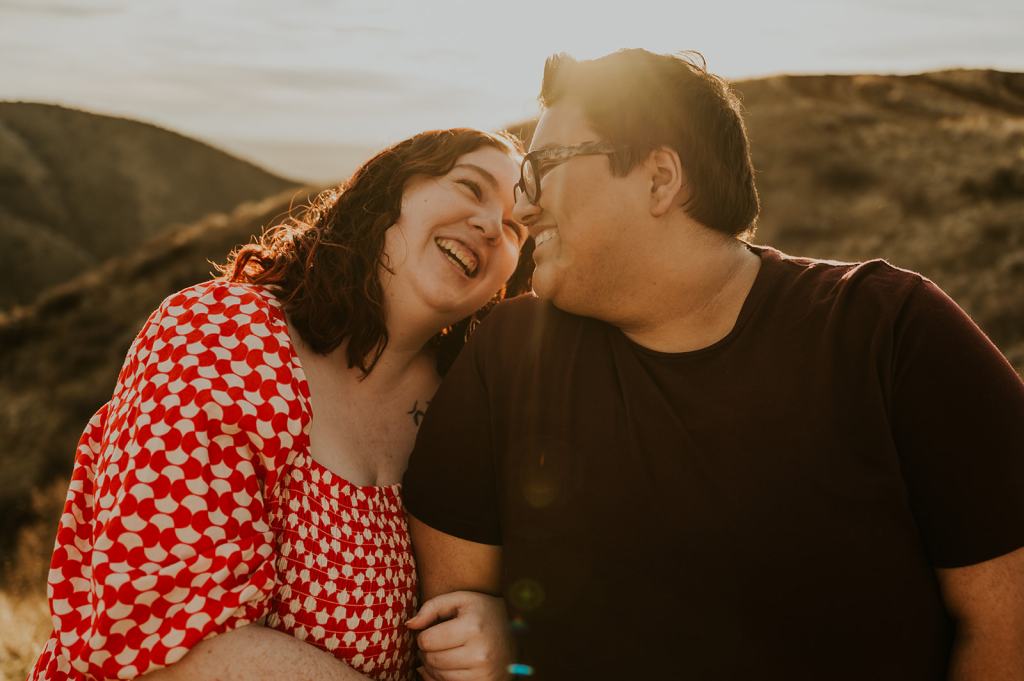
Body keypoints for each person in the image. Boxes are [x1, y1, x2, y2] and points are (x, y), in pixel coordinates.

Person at [401, 50, 1024, 680]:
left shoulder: (890, 334)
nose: (525, 209)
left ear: (660, 178)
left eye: (544, 167)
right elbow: (457, 621)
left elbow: (1010, 620)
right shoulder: (509, 358)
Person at [30, 127, 532, 681]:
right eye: (470, 186)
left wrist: (497, 629)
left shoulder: (467, 406)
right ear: (392, 189)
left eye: (515, 227)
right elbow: (167, 639)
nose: (491, 225)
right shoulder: (221, 334)